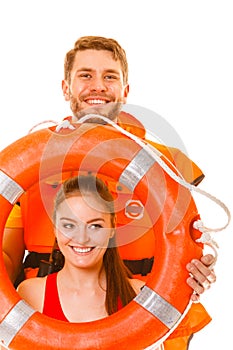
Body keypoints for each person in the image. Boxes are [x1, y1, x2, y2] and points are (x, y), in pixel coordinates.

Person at [4, 36, 215, 349]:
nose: (98, 86)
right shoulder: (27, 164)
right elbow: (6, 255)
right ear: (66, 88)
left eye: (110, 76)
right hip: (44, 320)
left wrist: (196, 271)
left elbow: (183, 245)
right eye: (85, 75)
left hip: (139, 320)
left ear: (125, 91)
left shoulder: (165, 165)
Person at [16, 175, 191, 350]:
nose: (82, 238)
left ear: (112, 228)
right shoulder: (31, 293)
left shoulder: (138, 294)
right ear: (55, 228)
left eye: (95, 226)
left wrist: (191, 285)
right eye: (69, 225)